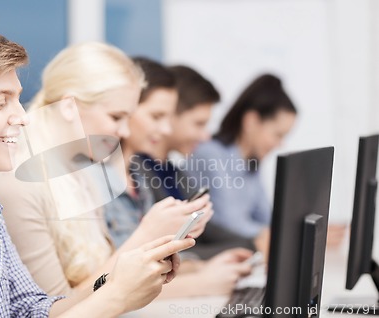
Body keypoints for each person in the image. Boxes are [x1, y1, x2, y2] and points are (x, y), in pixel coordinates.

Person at [0, 25, 196, 317]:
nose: (22, 116)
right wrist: (117, 296)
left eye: (17, 101)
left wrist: (120, 280)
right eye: (0, 103)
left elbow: (32, 309)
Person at [0, 42, 211, 299]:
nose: (125, 132)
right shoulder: (20, 187)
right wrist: (146, 235)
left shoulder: (83, 175)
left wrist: (162, 240)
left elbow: (100, 280)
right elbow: (53, 310)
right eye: (116, 117)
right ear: (69, 107)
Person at [104, 57, 253, 298]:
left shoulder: (146, 179)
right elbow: (110, 279)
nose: (165, 129)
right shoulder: (114, 178)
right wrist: (197, 274)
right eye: (157, 116)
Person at [138, 64, 269, 259]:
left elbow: (207, 230)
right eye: (199, 124)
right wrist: (250, 248)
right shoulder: (138, 173)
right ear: (171, 114)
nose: (205, 136)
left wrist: (254, 243)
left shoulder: (176, 173)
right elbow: (173, 250)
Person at [188, 74, 297, 238]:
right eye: (278, 134)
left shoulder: (252, 163)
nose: (280, 144)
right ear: (251, 121)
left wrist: (298, 230)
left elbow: (266, 218)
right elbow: (229, 222)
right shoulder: (210, 154)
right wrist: (283, 234)